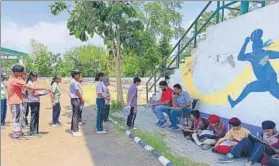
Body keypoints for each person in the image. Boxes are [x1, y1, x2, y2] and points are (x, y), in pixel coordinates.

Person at [7, 65, 48, 139]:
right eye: (21, 73)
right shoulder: (16, 80)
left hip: (16, 101)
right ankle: (16, 135)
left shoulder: (13, 79)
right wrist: (45, 87)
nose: (22, 74)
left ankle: (18, 132)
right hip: (15, 102)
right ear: (16, 73)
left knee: (19, 117)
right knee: (17, 118)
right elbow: (31, 88)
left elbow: (22, 91)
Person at [27, 72, 44, 136]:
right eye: (35, 77)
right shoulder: (30, 83)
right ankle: (33, 131)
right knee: (34, 116)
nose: (36, 78)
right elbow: (33, 93)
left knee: (36, 116)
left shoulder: (32, 83)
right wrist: (42, 93)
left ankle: (35, 131)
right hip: (33, 101)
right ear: (31, 76)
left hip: (35, 101)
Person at [69, 70, 84, 136]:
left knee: (75, 114)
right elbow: (77, 91)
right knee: (76, 115)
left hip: (74, 99)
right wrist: (82, 98)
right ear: (74, 75)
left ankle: (73, 129)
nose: (79, 76)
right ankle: (75, 131)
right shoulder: (74, 82)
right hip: (76, 99)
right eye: (78, 75)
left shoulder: (74, 81)